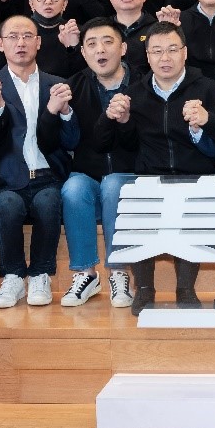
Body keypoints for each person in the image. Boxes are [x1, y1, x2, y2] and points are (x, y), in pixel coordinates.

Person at [96, 22, 215, 310]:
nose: (165, 58)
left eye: (172, 50)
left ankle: (185, 290)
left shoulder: (207, 88)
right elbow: (119, 145)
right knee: (137, 206)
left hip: (195, 177)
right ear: (147, 57)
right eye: (157, 51)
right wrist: (121, 121)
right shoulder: (135, 93)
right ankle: (144, 290)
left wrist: (208, 120)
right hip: (150, 178)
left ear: (184, 53)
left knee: (189, 208)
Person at [0, 15, 80, 309]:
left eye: (27, 36)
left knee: (49, 202)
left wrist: (66, 112)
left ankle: (40, 274)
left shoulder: (56, 84)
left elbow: (71, 142)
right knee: (7, 205)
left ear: (38, 42)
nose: (21, 43)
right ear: (0, 44)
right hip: (6, 177)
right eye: (12, 37)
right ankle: (13, 276)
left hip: (48, 174)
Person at [59, 18, 138, 309]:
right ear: (83, 52)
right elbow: (67, 142)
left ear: (123, 48)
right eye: (91, 44)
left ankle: (119, 271)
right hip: (89, 172)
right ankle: (86, 273)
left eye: (107, 42)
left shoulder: (143, 83)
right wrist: (63, 114)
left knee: (114, 184)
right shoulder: (73, 86)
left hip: (131, 174)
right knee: (73, 188)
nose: (100, 50)